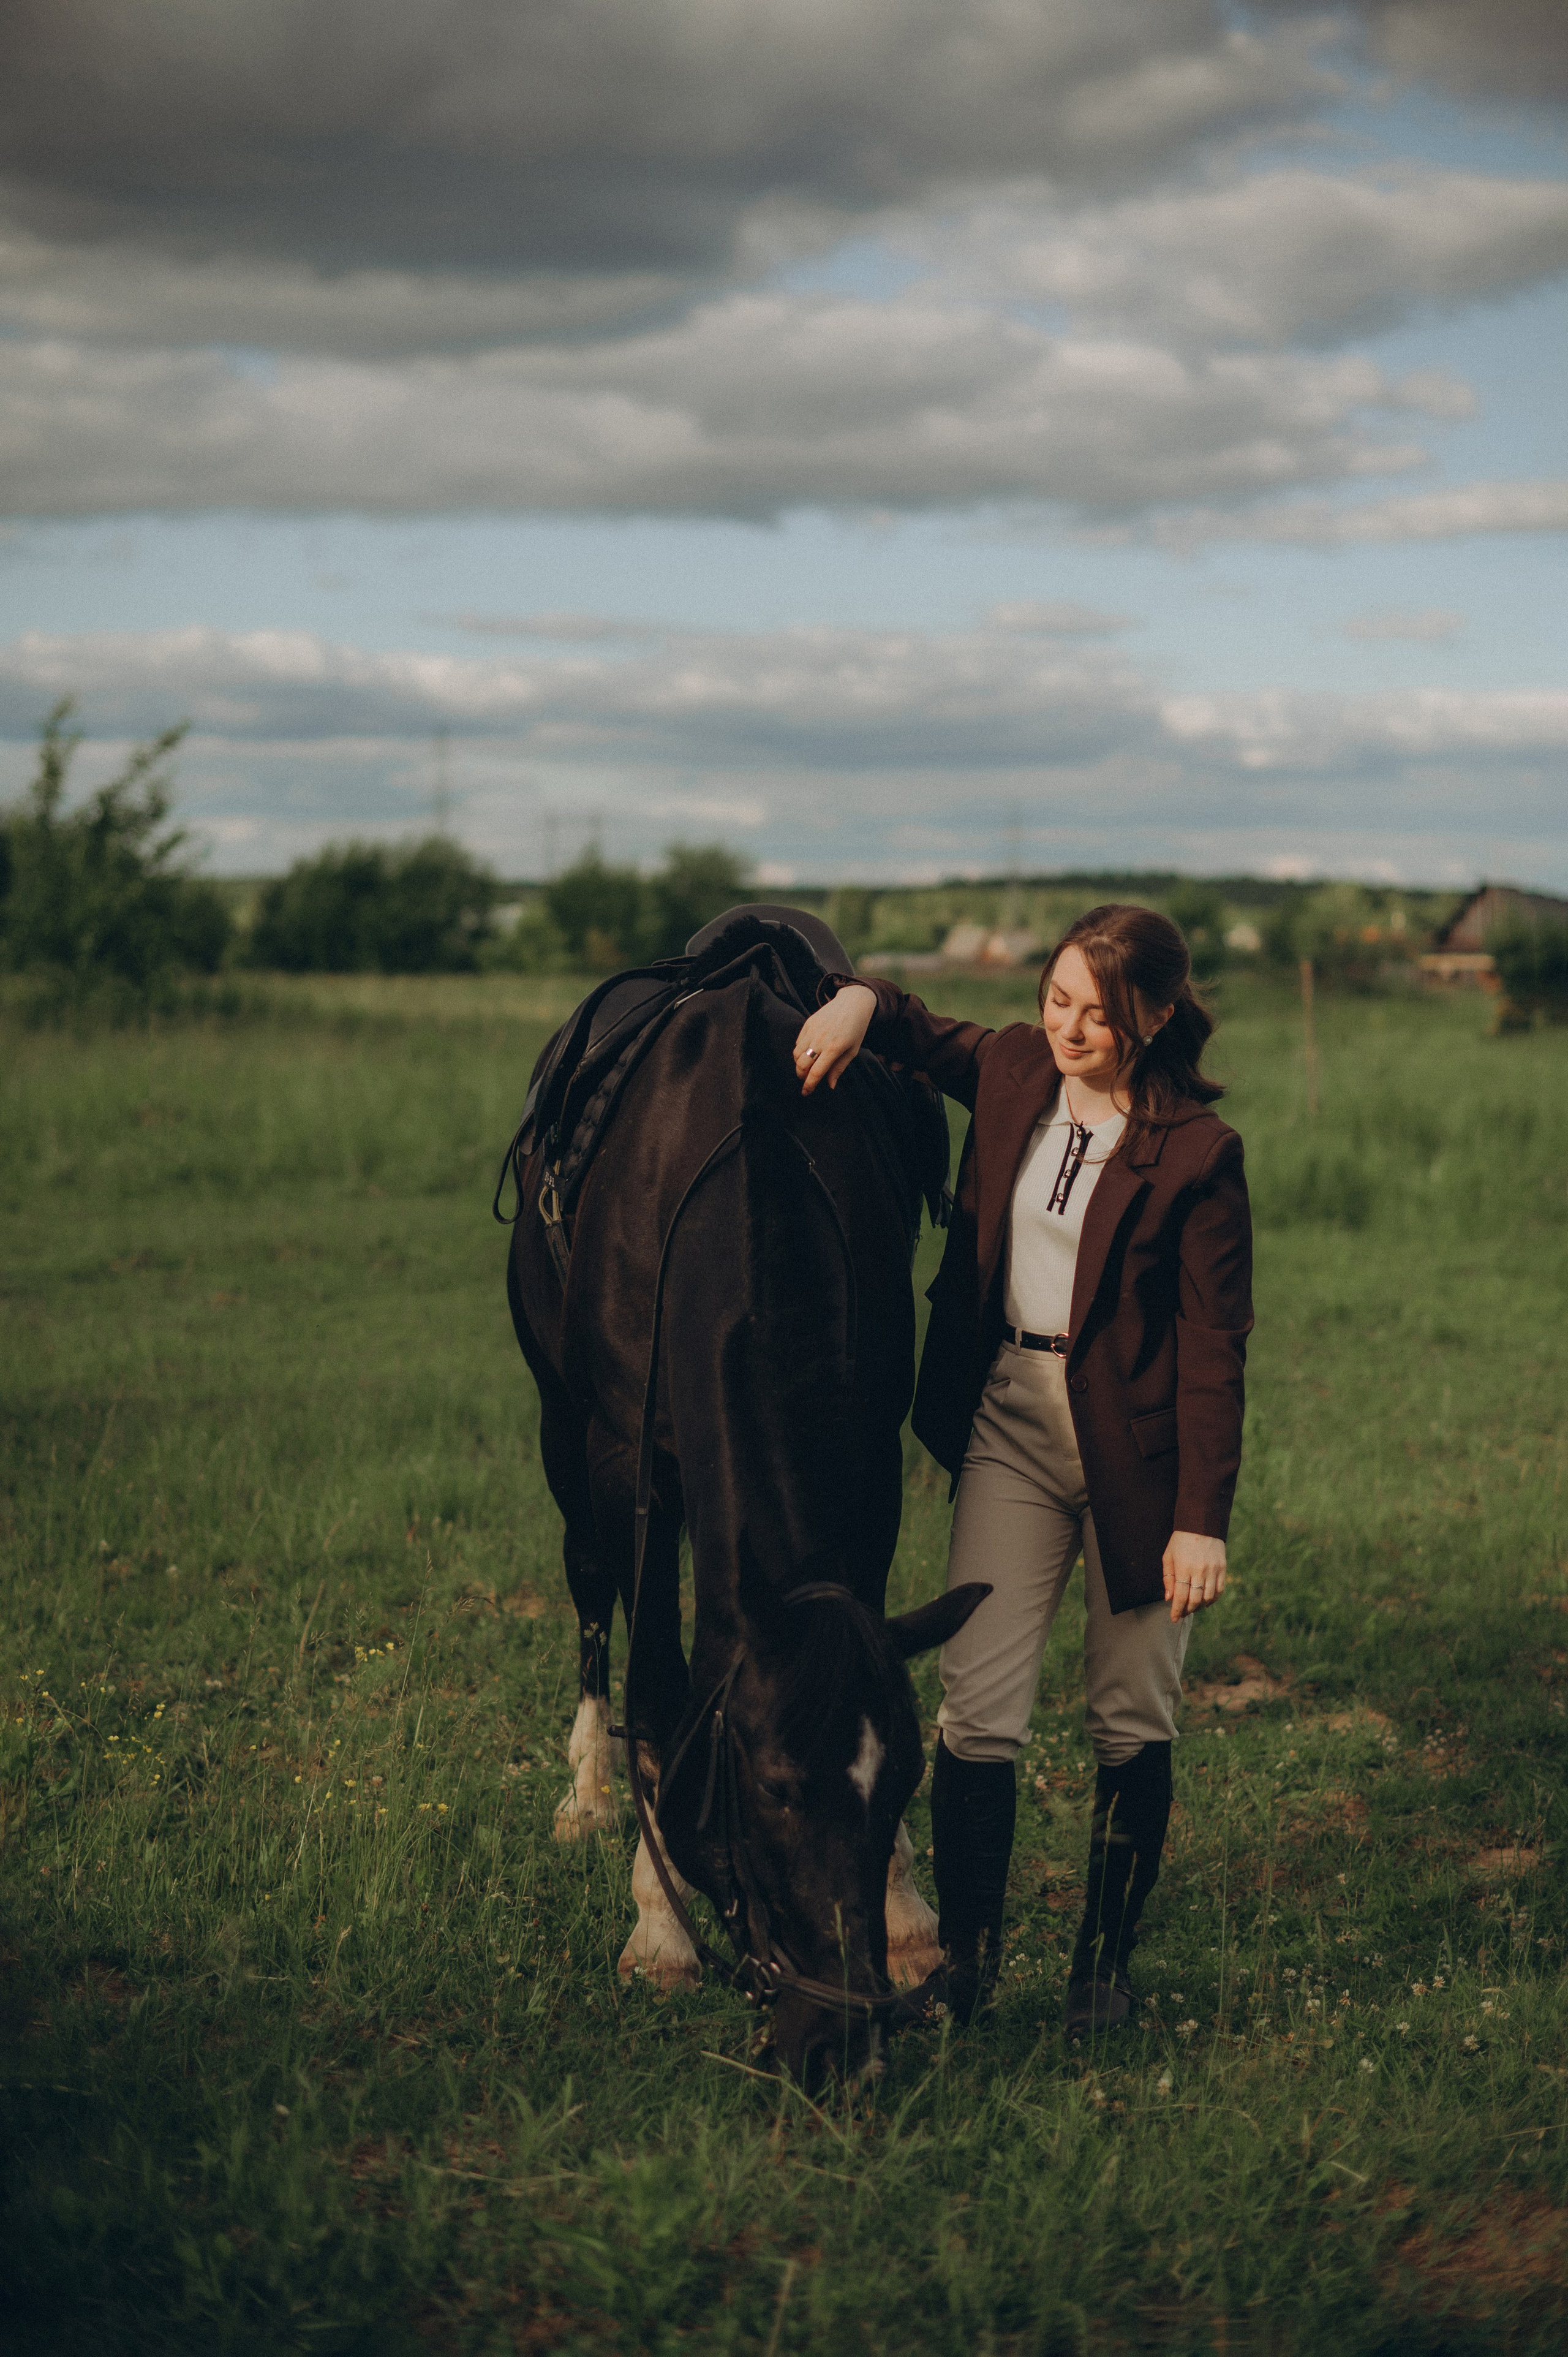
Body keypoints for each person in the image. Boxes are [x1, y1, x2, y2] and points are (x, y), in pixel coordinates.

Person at [792, 903, 1253, 2042]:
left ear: (1150, 1016)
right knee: (977, 1707)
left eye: (1096, 1013)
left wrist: (1202, 1520)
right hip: (1010, 1421)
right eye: (1056, 1000)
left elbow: (1213, 1351)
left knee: (1128, 1712)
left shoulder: (1197, 1153)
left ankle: (1102, 1967)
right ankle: (971, 1964)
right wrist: (857, 1001)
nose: (1068, 1028)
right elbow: (916, 1028)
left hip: (1139, 1459)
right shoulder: (1010, 1072)